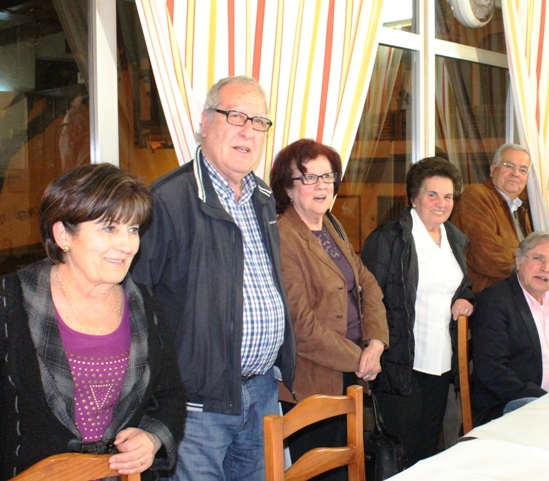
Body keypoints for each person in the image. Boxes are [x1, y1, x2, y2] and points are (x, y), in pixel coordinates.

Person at [0, 164, 187, 481]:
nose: (127, 244)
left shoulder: (146, 308)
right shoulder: (5, 305)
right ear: (62, 235)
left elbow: (170, 397)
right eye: (109, 228)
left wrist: (153, 438)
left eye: (133, 229)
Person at [131, 75, 295, 481]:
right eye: (236, 116)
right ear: (204, 123)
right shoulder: (166, 200)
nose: (248, 131)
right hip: (197, 404)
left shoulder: (263, 197)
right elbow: (135, 305)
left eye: (259, 122)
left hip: (261, 392)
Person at [270, 139, 389, 479]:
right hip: (311, 381)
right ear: (288, 188)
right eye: (309, 178)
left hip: (351, 373)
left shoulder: (332, 226)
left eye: (327, 176)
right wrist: (360, 358)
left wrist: (376, 344)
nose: (322, 185)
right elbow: (300, 326)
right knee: (322, 475)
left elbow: (369, 286)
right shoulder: (284, 236)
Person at [361, 157, 475, 467]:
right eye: (432, 194)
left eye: (448, 196)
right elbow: (369, 300)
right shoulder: (389, 239)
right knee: (403, 453)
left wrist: (466, 298)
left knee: (428, 450)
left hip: (441, 364)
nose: (441, 203)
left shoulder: (454, 238)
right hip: (401, 364)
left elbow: (460, 285)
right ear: (414, 198)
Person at [470, 232, 549, 427]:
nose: (545, 268)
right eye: (538, 258)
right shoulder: (495, 301)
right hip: (510, 405)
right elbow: (494, 372)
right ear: (519, 261)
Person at [450, 143, 533, 294]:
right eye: (509, 166)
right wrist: (534, 269)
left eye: (522, 170)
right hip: (485, 296)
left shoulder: (520, 211)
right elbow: (487, 257)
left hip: (515, 293)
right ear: (493, 169)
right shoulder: (476, 196)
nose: (515, 173)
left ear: (526, 178)